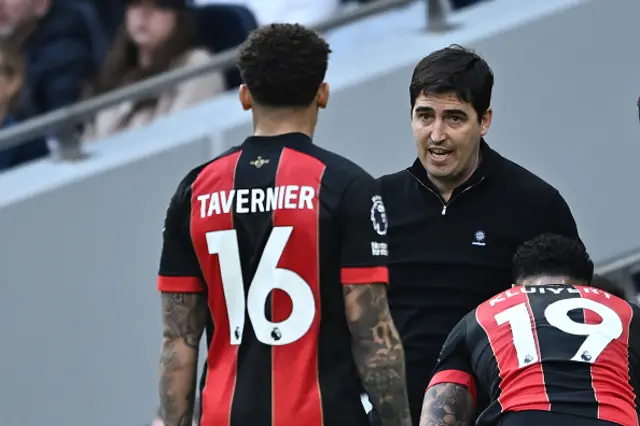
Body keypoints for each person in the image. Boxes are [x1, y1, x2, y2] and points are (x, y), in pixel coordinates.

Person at [155, 23, 412, 426]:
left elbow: (179, 342)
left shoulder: (195, 191)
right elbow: (372, 335)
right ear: (322, 93)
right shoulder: (347, 187)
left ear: (244, 97)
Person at [376, 45, 581, 425]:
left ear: (484, 120)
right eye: (425, 116)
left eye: (454, 118)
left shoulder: (536, 204)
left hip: (498, 414)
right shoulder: (375, 203)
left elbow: (571, 321)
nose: (436, 135)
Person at [421, 233, 640, 426]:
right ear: (588, 288)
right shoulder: (626, 312)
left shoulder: (479, 317)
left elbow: (440, 414)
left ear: (514, 288)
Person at [83, 0, 225, 141]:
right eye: (136, 4)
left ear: (178, 16)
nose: (143, 14)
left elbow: (181, 145)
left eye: (158, 6)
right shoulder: (116, 74)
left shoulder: (196, 67)